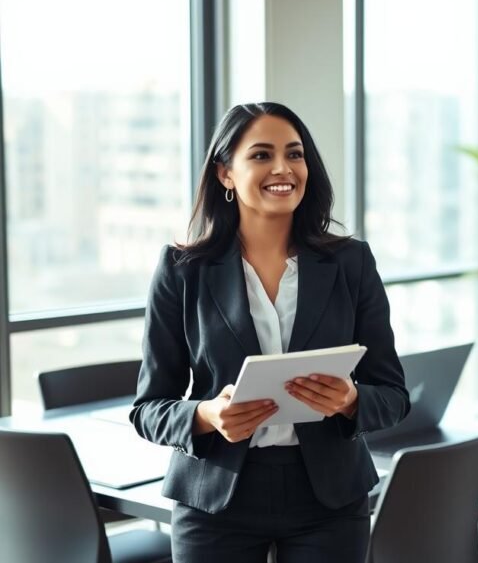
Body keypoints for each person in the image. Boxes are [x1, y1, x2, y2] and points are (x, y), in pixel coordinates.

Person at [130, 102, 409, 562]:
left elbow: (394, 395)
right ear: (225, 174)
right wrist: (205, 415)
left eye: (294, 154)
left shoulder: (351, 263)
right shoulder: (183, 271)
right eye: (261, 155)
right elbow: (148, 408)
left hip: (329, 499)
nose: (283, 168)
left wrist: (352, 401)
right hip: (215, 496)